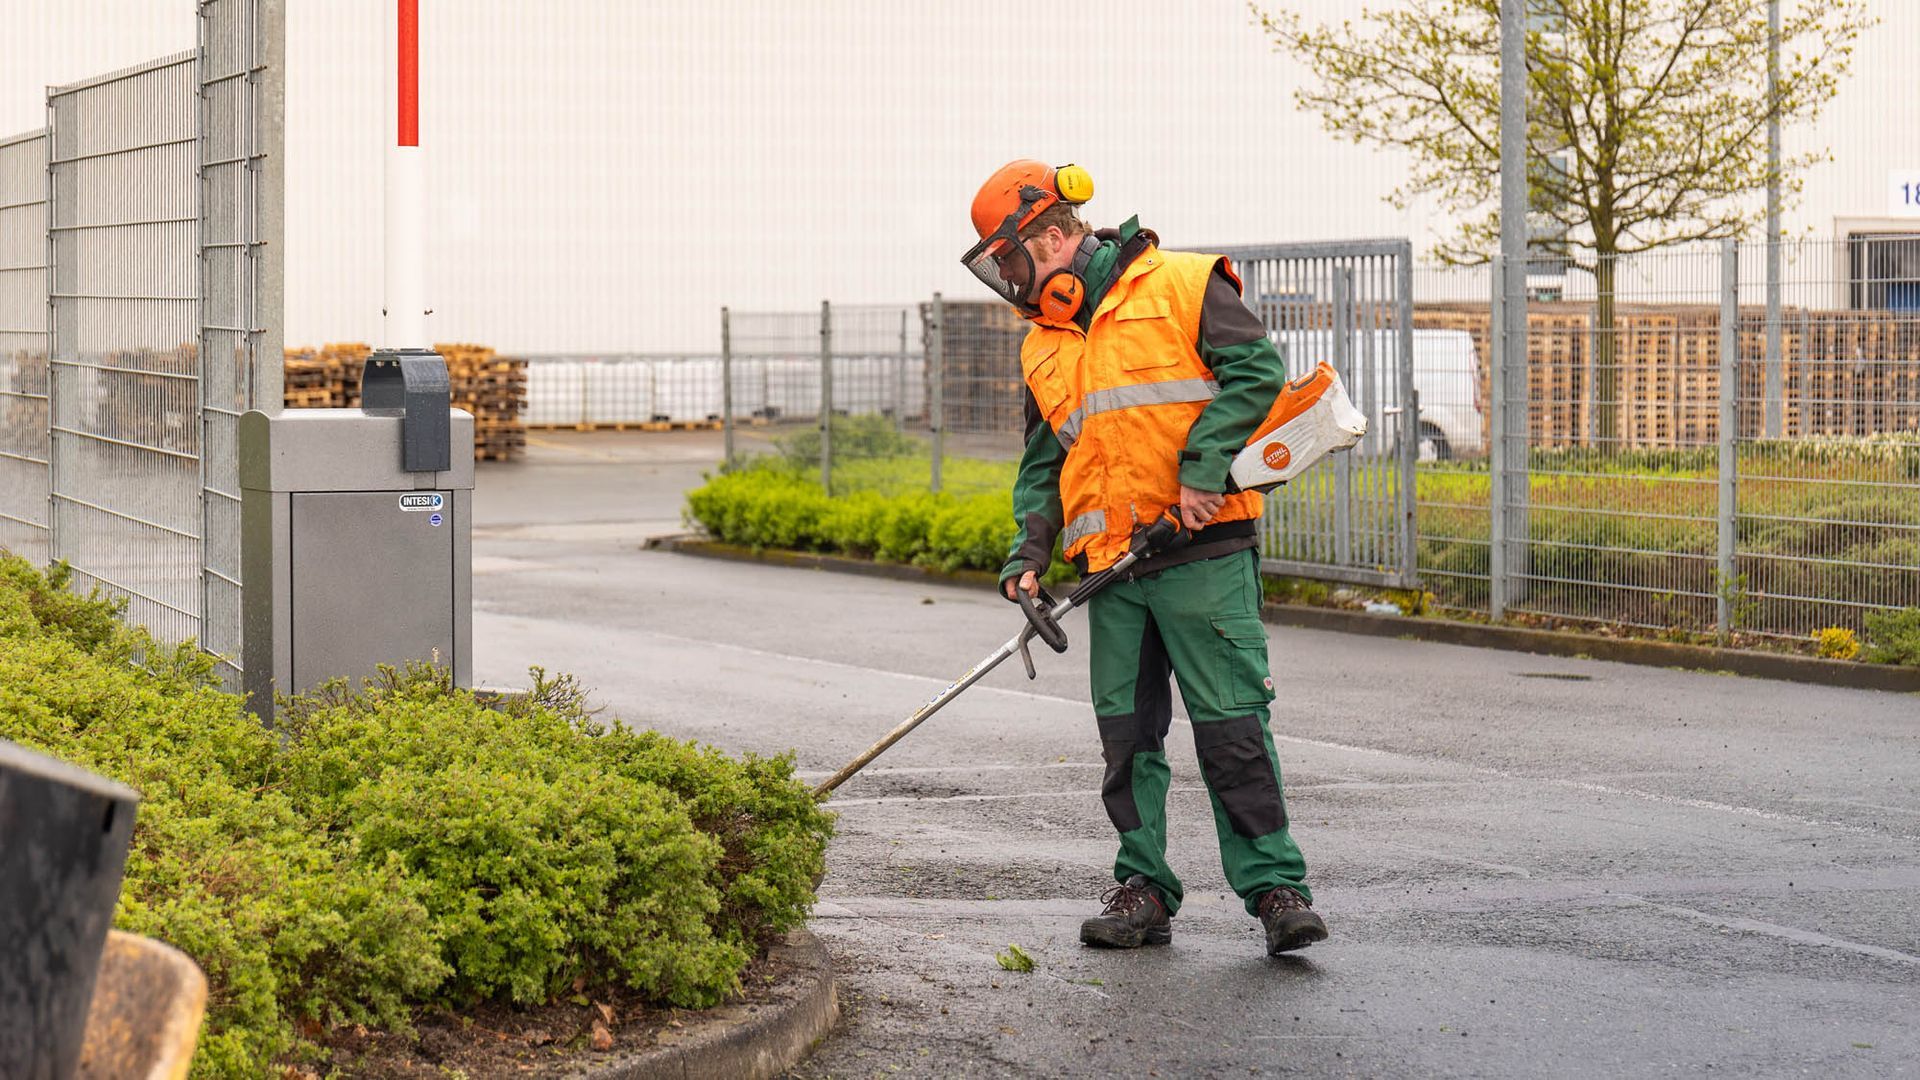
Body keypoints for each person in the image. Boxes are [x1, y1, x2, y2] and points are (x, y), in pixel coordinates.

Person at [961, 160, 1327, 955]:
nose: (1011, 279)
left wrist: (1202, 470)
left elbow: (1257, 375)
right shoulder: (1043, 350)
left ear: (1055, 236)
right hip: (1114, 574)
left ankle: (1274, 888)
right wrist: (1029, 554)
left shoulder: (1185, 285)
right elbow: (1043, 463)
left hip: (1203, 554)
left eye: (1012, 259)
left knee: (1231, 729)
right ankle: (1144, 889)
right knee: (1128, 740)